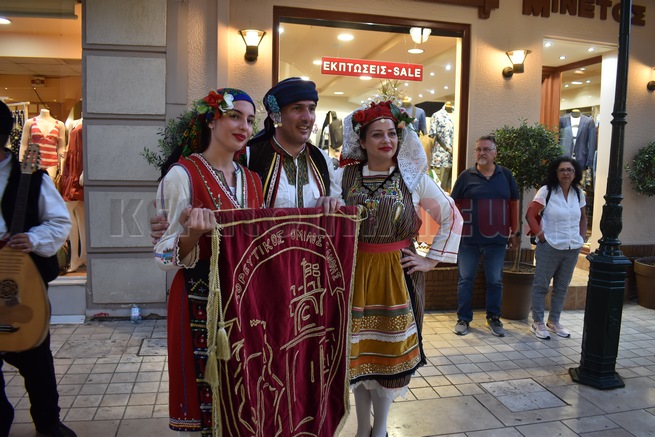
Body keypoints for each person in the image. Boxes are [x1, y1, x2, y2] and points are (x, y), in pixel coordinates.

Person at [340, 98, 462, 437]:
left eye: (392, 133)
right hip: (356, 274)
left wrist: (430, 259)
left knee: (389, 355)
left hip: (397, 275)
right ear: (362, 140)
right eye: (377, 134)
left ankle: (380, 428)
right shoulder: (345, 176)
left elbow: (452, 216)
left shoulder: (413, 178)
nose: (387, 140)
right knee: (360, 355)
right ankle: (362, 427)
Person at [152, 88, 264, 435]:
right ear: (212, 120)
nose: (244, 126)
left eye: (250, 120)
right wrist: (192, 235)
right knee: (206, 396)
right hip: (199, 298)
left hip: (243, 300)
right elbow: (163, 255)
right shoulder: (182, 175)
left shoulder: (252, 180)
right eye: (235, 116)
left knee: (243, 392)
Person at [149, 77, 342, 242]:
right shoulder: (247, 155)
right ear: (276, 115)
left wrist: (334, 204)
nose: (307, 117)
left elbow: (339, 213)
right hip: (262, 264)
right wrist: (170, 226)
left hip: (312, 264)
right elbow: (210, 191)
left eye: (311, 109)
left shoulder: (322, 160)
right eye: (297, 108)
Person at [0, 101, 76, 437]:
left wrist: (31, 238)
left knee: (36, 358)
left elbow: (59, 222)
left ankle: (47, 422)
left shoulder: (30, 178)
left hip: (22, 280)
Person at [450, 135, 519, 337]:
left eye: (487, 149)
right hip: (468, 239)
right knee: (465, 280)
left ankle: (493, 318)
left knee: (495, 280)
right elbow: (453, 206)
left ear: (495, 153)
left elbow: (514, 204)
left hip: (496, 240)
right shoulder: (466, 176)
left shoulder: (506, 175)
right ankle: (463, 318)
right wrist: (454, 231)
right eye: (479, 149)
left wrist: (514, 232)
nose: (482, 153)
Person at [526, 156, 586, 340]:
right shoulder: (547, 191)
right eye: (562, 170)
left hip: (572, 247)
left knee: (562, 287)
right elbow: (530, 215)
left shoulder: (578, 193)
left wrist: (581, 238)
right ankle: (537, 322)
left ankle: (554, 321)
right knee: (541, 285)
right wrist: (541, 236)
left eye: (570, 170)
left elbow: (583, 217)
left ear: (575, 173)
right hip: (550, 246)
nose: (566, 173)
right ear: (556, 172)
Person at [19, 108, 66, 179]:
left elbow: (61, 147)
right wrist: (21, 163)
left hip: (51, 163)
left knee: (49, 184)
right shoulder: (29, 122)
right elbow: (23, 145)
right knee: (35, 185)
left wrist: (62, 166)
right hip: (33, 162)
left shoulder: (60, 124)